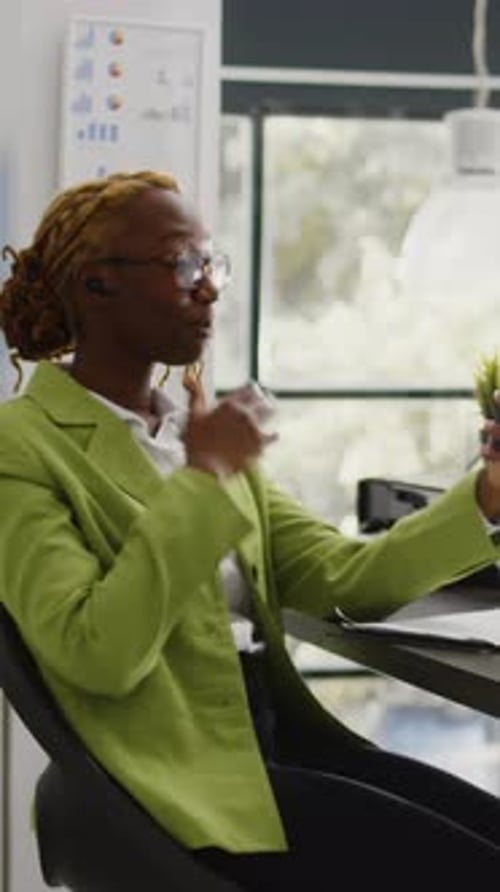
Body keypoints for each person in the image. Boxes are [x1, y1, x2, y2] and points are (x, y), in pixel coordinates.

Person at [0, 170, 499, 889]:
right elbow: (94, 652)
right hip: (173, 774)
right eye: (181, 263)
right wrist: (205, 481)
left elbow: (343, 580)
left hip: (271, 739)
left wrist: (485, 495)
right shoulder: (24, 443)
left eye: (212, 263)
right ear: (95, 284)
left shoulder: (193, 430)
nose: (209, 286)